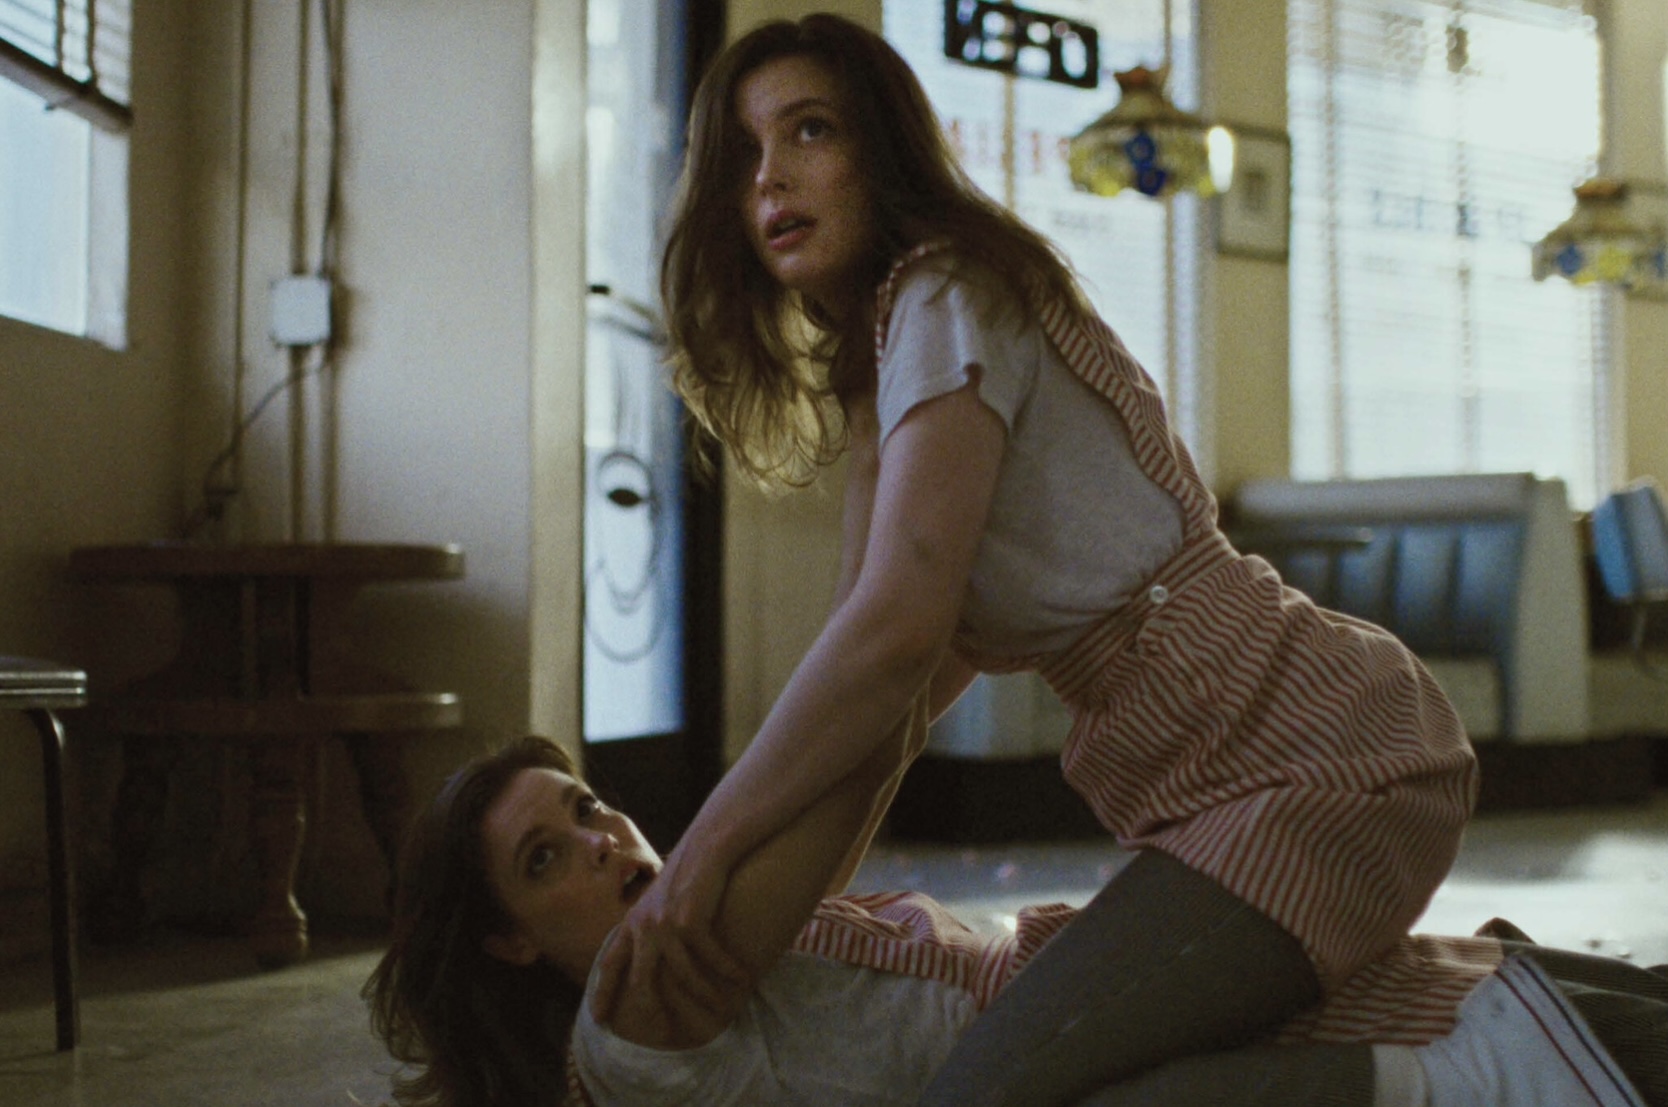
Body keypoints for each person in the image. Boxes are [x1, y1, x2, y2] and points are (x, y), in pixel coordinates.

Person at [602, 13, 1479, 1105]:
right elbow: (876, 713)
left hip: (1318, 761)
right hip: (1234, 784)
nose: (770, 177)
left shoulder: (948, 290)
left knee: (999, 1092)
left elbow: (892, 639)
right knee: (1074, 1060)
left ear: (883, 148)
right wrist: (736, 950)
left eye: (810, 131)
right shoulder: (887, 364)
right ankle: (1531, 1022)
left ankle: (1475, 1079)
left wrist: (696, 858)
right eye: (743, 154)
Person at [363, 735, 1666, 1107]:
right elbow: (844, 775)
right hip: (1082, 1052)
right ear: (510, 939)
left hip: (1074, 995)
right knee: (1490, 1027)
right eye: (550, 857)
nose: (606, 841)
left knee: (1450, 975)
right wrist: (911, 645)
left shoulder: (709, 929)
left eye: (589, 807)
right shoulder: (625, 1029)